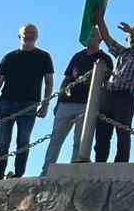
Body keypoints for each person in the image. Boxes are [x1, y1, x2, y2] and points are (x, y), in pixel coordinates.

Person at [43, 30, 112, 175]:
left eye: (93, 35)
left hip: (86, 105)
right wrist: (58, 101)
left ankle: (74, 173)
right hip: (66, 103)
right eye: (89, 34)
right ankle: (46, 171)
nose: (90, 37)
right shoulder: (78, 56)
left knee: (79, 142)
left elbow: (105, 83)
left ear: (100, 39)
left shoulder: (105, 58)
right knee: (56, 139)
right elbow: (67, 78)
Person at [0, 24, 54, 180]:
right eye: (26, 33)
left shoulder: (44, 57)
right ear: (20, 36)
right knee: (3, 142)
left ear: (37, 36)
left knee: (23, 140)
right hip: (6, 103)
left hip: (29, 104)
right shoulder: (9, 57)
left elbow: (49, 82)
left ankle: (18, 175)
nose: (29, 35)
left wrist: (45, 104)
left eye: (33, 33)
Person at [97, 20, 134, 164]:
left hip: (125, 97)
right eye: (131, 36)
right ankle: (99, 163)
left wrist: (132, 32)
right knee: (102, 133)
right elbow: (106, 38)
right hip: (109, 94)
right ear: (127, 39)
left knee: (122, 133)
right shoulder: (122, 52)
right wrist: (100, 19)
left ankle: (120, 164)